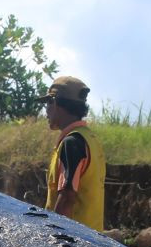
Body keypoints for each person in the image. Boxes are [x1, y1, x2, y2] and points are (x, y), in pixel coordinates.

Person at [37, 76, 107, 231]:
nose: (46, 110)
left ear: (55, 103)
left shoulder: (72, 142)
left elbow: (67, 197)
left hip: (73, 242)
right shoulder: (91, 139)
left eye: (48, 103)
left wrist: (53, 234)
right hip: (94, 241)